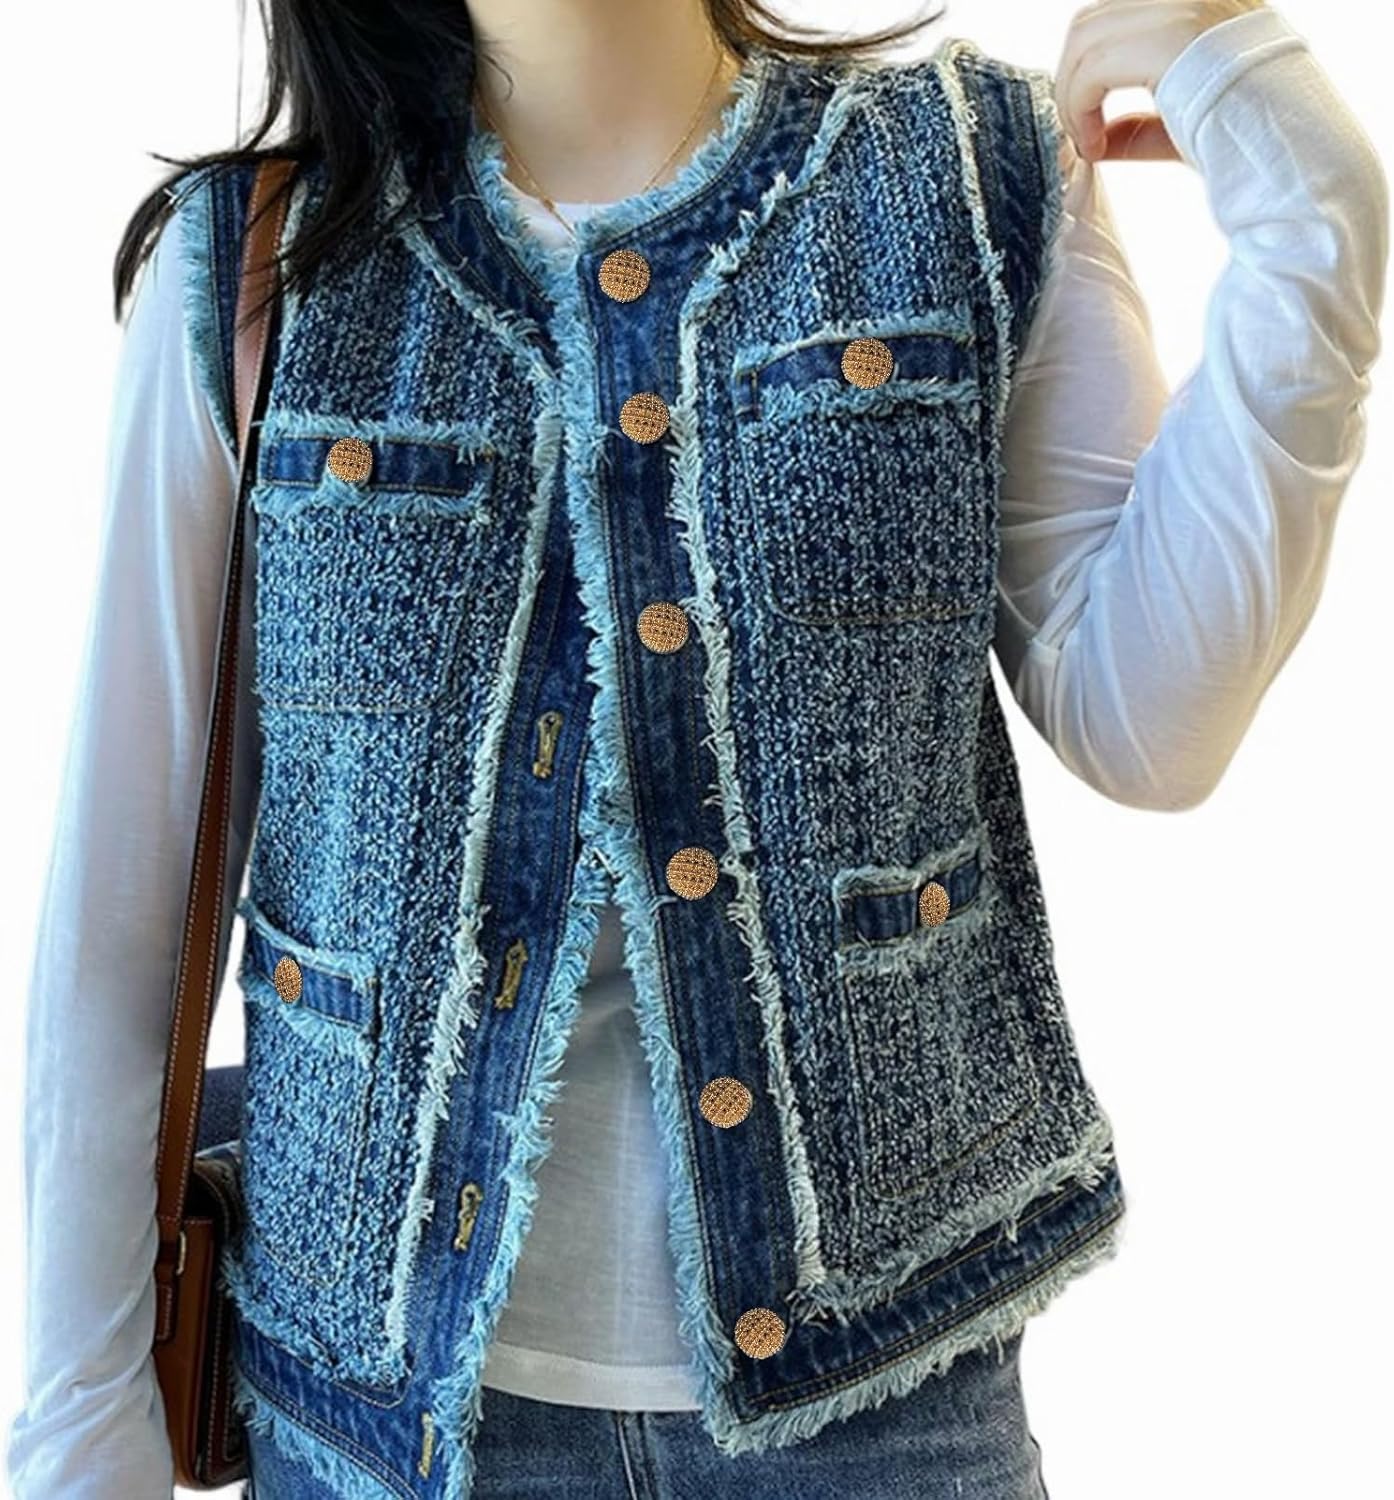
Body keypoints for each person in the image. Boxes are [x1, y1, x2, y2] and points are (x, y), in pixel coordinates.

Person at [7, 1, 1386, 1497]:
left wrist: (1311, 203)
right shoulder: (257, 264)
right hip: (380, 1433)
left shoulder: (969, 172)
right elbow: (127, 914)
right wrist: (81, 1427)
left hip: (884, 1404)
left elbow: (1150, 726)